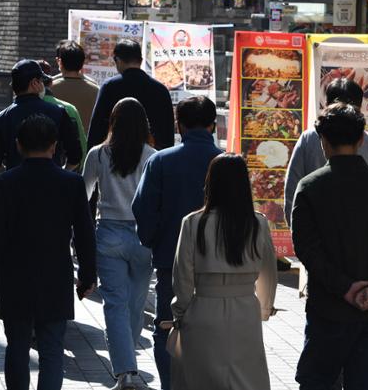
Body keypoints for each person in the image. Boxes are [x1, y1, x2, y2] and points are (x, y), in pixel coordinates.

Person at [291, 102, 368, 390]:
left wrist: (345, 287)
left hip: (328, 309)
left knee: (317, 383)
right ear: (361, 139)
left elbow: (306, 248)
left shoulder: (310, 187)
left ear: (323, 141)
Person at [0, 115, 96, 390]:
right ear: (54, 146)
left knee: (17, 345)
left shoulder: (4, 184)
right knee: (52, 349)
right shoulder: (71, 183)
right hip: (55, 275)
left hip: (14, 276)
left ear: (18, 145)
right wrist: (87, 276)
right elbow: (85, 235)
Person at [132, 96, 222, 390]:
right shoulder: (228, 163)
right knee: (213, 331)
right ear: (213, 125)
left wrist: (153, 240)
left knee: (167, 327)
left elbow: (143, 209)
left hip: (171, 259)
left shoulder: (160, 161)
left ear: (178, 125)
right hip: (219, 264)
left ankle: (171, 385)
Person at [170, 153, 277, 389]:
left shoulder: (193, 222)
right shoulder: (257, 223)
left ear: (211, 183)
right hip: (246, 309)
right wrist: (264, 308)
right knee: (245, 378)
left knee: (203, 378)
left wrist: (181, 311)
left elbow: (183, 276)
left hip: (204, 308)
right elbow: (269, 272)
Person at [82, 98, 156, 390]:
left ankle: (125, 372)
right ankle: (130, 367)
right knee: (137, 304)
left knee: (115, 304)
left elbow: (84, 194)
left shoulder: (98, 154)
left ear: (112, 122)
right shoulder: (153, 156)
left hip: (109, 232)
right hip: (143, 236)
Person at [284, 77, 368, 225]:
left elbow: (292, 192)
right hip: (364, 237)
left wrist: (300, 235)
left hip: (316, 233)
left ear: (327, 106)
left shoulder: (309, 139)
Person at [0, 59, 82, 173]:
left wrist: (9, 175)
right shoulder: (59, 112)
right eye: (41, 80)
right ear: (34, 83)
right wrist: (62, 174)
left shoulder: (1, 118)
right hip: (52, 186)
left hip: (16, 188)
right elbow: (75, 155)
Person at [88, 39, 174, 151]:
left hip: (115, 155)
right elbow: (167, 131)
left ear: (117, 60)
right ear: (141, 61)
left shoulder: (109, 86)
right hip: (151, 158)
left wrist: (92, 154)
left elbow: (97, 126)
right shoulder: (160, 89)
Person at [38, 59, 87, 170]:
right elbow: (81, 149)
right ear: (50, 82)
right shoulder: (68, 109)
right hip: (58, 173)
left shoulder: (15, 109)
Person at [52, 40, 100, 132]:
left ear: (60, 62)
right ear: (82, 63)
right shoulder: (95, 89)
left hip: (56, 144)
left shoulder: (50, 88)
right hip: (86, 144)